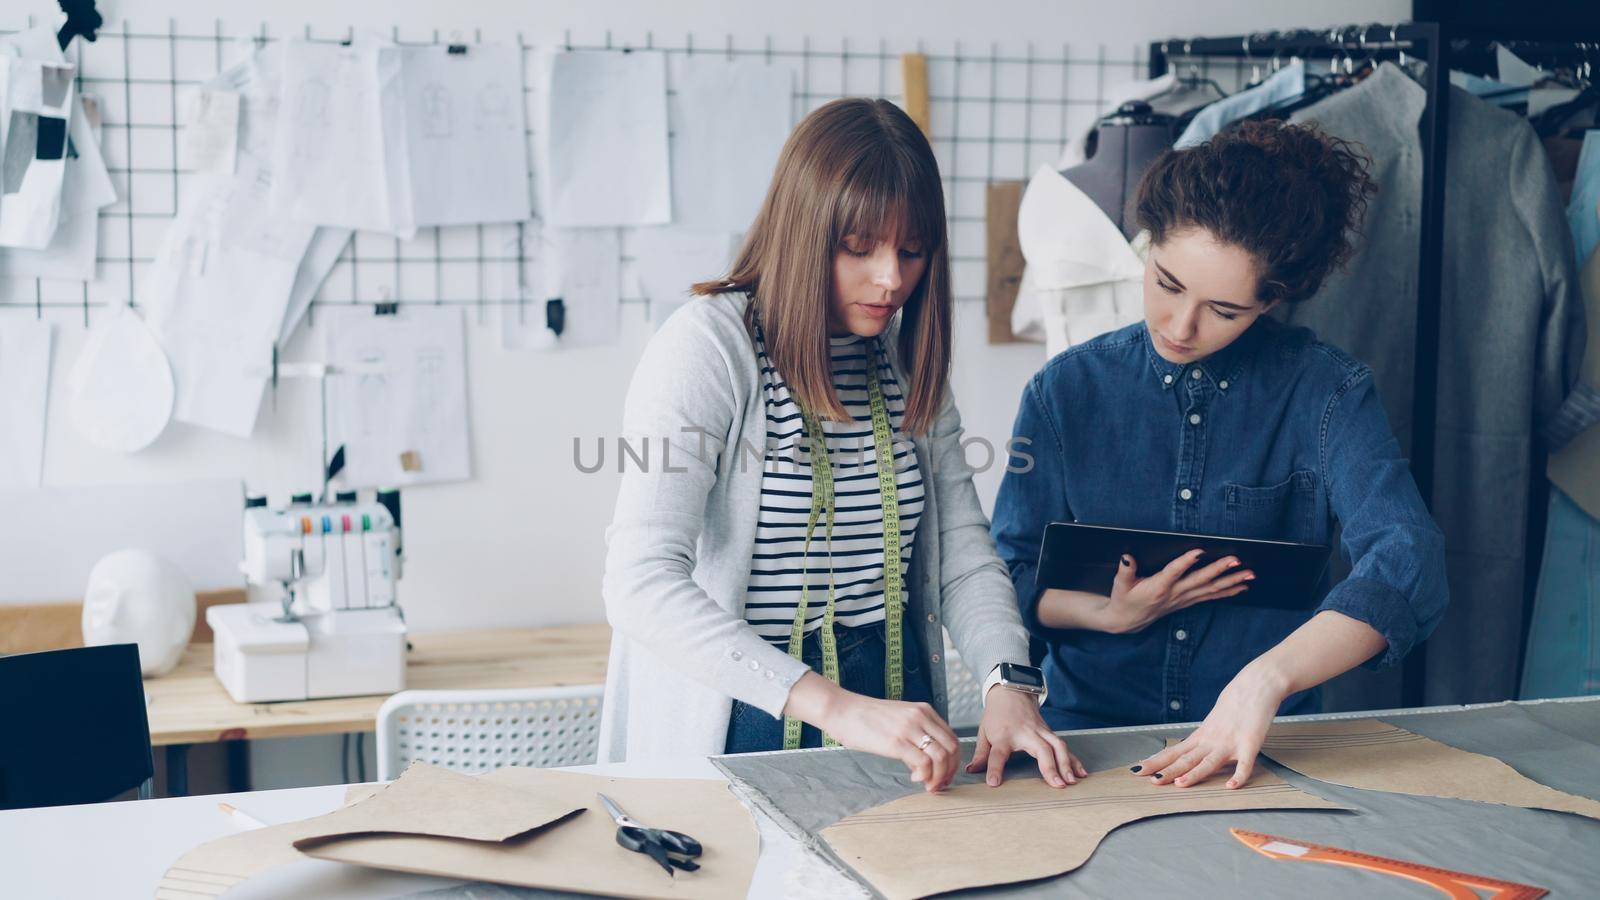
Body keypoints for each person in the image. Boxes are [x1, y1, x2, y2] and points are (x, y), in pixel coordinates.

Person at [599, 98, 1081, 793]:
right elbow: (640, 583)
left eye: (911, 250)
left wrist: (1010, 681)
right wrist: (834, 707)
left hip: (892, 695)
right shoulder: (708, 347)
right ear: (803, 231)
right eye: (860, 248)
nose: (891, 278)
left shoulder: (905, 362)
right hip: (747, 704)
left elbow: (965, 557)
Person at [991, 120, 1449, 790]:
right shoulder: (1066, 392)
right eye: (1167, 283)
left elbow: (1410, 559)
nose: (1180, 327)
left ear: (1272, 299)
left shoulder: (1329, 394)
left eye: (1225, 310)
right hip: (1089, 748)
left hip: (1267, 752)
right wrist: (1106, 613)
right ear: (1147, 245)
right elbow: (1012, 573)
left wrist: (1267, 678)